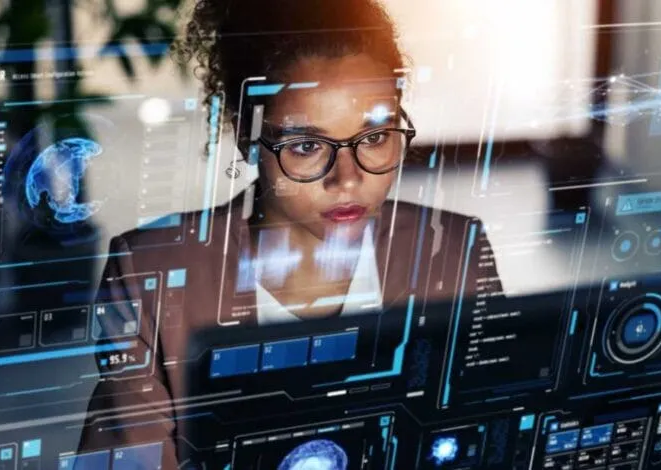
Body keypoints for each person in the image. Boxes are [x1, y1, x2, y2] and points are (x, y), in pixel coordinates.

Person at [78, 0, 500, 467]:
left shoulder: (453, 251)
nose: (347, 179)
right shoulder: (150, 273)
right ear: (246, 135)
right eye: (305, 146)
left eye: (376, 137)